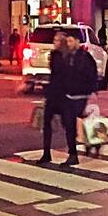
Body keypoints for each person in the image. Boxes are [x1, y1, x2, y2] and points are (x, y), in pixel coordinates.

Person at [59, 29, 99, 167]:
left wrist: (93, 91)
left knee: (79, 121)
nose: (68, 44)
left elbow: (93, 74)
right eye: (67, 41)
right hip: (69, 96)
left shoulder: (85, 57)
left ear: (77, 41)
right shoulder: (66, 57)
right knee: (69, 124)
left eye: (71, 41)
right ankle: (74, 153)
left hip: (82, 95)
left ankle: (90, 141)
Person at [39, 30, 69, 166]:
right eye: (54, 40)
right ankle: (46, 153)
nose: (54, 43)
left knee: (67, 125)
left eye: (57, 40)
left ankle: (73, 152)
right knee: (46, 123)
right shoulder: (55, 55)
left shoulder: (67, 56)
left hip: (63, 94)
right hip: (53, 93)